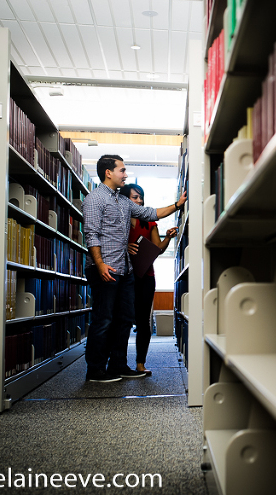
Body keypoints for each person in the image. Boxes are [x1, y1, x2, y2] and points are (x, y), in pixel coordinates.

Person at [82, 155, 186, 382]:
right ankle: (95, 370)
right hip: (105, 268)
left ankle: (118, 365)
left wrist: (178, 205)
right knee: (103, 319)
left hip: (125, 270)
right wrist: (99, 264)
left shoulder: (123, 202)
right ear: (108, 172)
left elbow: (149, 214)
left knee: (125, 319)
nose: (126, 174)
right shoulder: (94, 199)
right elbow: (91, 234)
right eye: (122, 170)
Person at [120, 183, 178, 375]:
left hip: (146, 276)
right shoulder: (119, 221)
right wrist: (125, 247)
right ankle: (119, 364)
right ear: (124, 199)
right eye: (135, 197)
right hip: (125, 276)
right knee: (124, 319)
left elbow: (157, 249)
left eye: (141, 197)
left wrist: (168, 237)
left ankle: (140, 363)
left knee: (143, 321)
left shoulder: (149, 222)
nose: (139, 201)